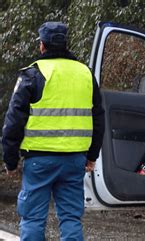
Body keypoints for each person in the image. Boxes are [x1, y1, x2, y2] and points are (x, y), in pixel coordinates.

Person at [1, 21, 105, 241]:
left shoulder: (33, 74)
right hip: (75, 160)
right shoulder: (86, 74)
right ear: (66, 43)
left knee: (32, 219)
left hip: (39, 161)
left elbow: (14, 120)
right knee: (70, 219)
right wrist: (92, 155)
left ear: (42, 45)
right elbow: (98, 117)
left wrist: (10, 160)